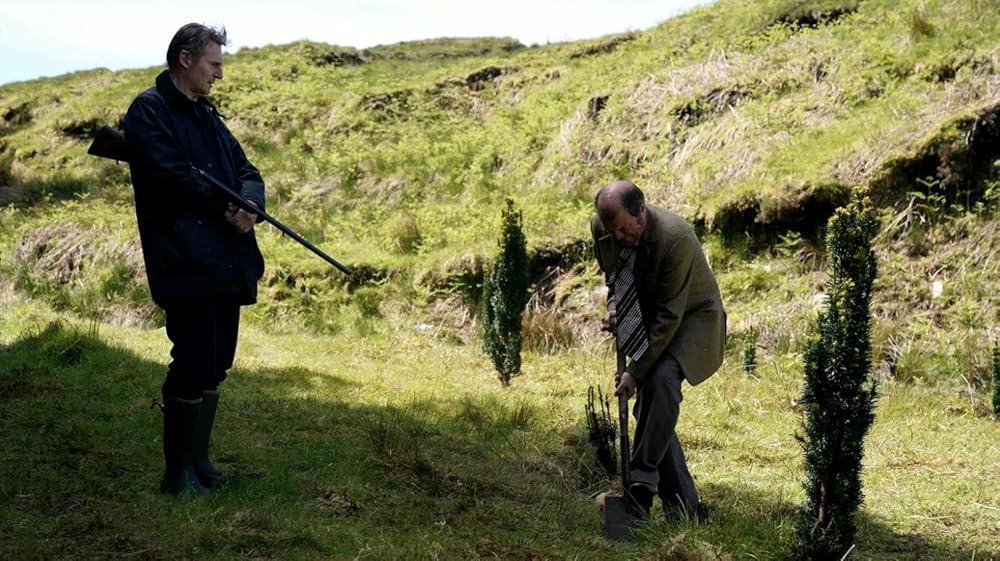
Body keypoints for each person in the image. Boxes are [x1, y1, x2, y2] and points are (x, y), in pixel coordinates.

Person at [122, 23, 266, 496]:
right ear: (186, 60)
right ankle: (177, 475)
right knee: (192, 361)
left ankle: (199, 462)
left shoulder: (209, 117)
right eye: (214, 64)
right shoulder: (149, 110)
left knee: (216, 364)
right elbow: (170, 176)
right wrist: (225, 203)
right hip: (184, 261)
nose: (219, 75)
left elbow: (247, 171)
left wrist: (249, 206)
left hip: (225, 260)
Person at [590, 180, 726, 519]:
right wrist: (614, 309)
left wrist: (634, 372)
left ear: (642, 210)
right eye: (611, 230)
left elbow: (670, 316)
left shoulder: (676, 238)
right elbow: (614, 279)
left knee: (660, 380)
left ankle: (640, 487)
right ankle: (686, 507)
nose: (618, 237)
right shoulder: (603, 227)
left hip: (692, 319)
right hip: (651, 314)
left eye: (623, 229)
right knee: (654, 410)